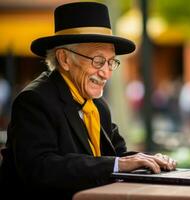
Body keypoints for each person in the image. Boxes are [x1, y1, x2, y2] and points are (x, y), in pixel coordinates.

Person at [0, 2, 176, 199]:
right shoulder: (33, 100)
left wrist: (149, 161)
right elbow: (40, 168)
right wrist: (119, 164)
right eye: (98, 61)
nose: (106, 73)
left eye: (111, 62)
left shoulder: (98, 106)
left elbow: (117, 156)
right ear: (64, 59)